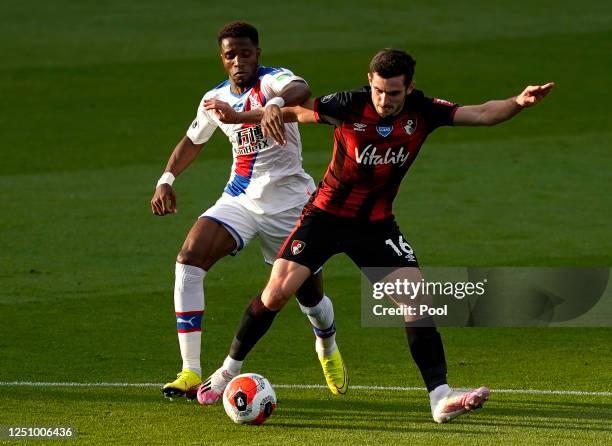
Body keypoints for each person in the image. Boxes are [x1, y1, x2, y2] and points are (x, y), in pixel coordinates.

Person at [203, 48, 554, 422]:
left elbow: (482, 113)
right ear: (370, 82)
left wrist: (519, 101)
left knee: (416, 300)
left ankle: (439, 396)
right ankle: (228, 371)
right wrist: (255, 112)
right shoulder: (348, 104)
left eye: (395, 94)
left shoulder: (423, 111)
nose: (385, 101)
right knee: (277, 291)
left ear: (410, 88)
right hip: (325, 216)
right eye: (380, 91)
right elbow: (296, 112)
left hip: (375, 225)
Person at [150, 21, 345, 403]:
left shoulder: (274, 82)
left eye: (245, 53)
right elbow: (192, 141)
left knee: (310, 299)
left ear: (258, 53)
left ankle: (327, 344)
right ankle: (191, 370)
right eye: (230, 55)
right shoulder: (214, 99)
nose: (238, 61)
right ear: (222, 59)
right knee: (189, 259)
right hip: (239, 199)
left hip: (291, 205)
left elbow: (300, 89)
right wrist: (167, 178)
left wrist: (275, 104)